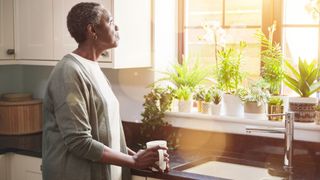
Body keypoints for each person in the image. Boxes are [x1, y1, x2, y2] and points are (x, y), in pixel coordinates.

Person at [42, 2, 169, 180]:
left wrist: (137, 156)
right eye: (110, 21)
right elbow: (79, 141)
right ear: (92, 30)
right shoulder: (68, 72)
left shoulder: (94, 68)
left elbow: (108, 133)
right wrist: (133, 161)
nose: (116, 26)